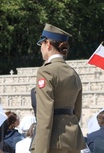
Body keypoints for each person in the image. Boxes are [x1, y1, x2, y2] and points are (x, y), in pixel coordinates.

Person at [30, 23, 86, 153]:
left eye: (41, 45)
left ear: (48, 43)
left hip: (53, 142)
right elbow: (76, 112)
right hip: (73, 139)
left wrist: (40, 150)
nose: (41, 49)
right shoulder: (73, 73)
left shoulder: (46, 71)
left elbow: (45, 115)